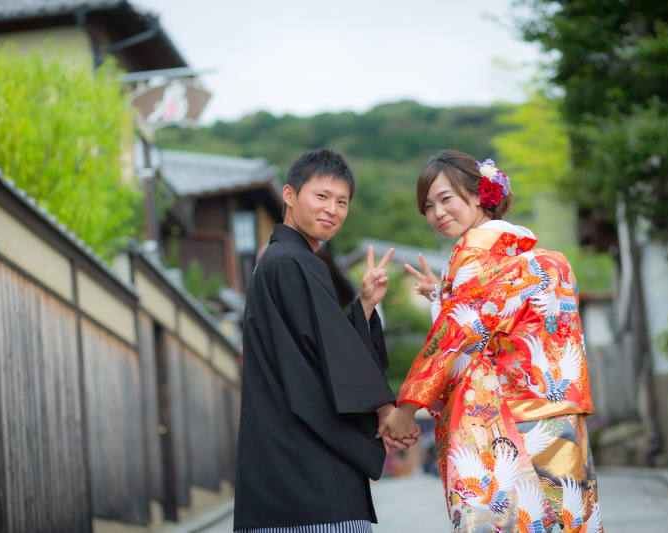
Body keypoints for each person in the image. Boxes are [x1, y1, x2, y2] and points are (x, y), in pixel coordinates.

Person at [379, 150, 603, 532]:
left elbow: (456, 335)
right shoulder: (532, 255)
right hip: (555, 414)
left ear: (480, 193)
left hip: (501, 417)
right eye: (428, 206)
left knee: (501, 518)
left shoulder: (475, 254)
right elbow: (494, 317)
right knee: (564, 519)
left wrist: (406, 406)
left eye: (446, 198)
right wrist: (444, 296)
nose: (437, 213)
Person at [233, 148, 417, 533]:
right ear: (289, 194)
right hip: (310, 477)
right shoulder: (295, 261)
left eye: (341, 201)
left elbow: (318, 341)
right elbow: (333, 351)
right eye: (321, 196)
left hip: (278, 469)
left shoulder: (275, 260)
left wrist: (364, 304)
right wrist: (387, 413)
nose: (331, 209)